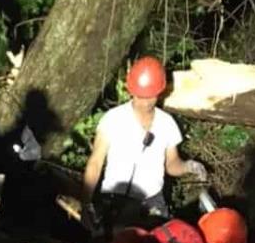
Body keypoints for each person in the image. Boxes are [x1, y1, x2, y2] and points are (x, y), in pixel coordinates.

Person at [82, 56, 207, 232]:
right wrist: (86, 202)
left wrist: (189, 166)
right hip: (115, 200)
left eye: (151, 96)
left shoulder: (167, 123)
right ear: (131, 91)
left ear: (160, 92)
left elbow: (172, 164)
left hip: (151, 202)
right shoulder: (113, 118)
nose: (145, 102)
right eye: (140, 96)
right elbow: (95, 163)